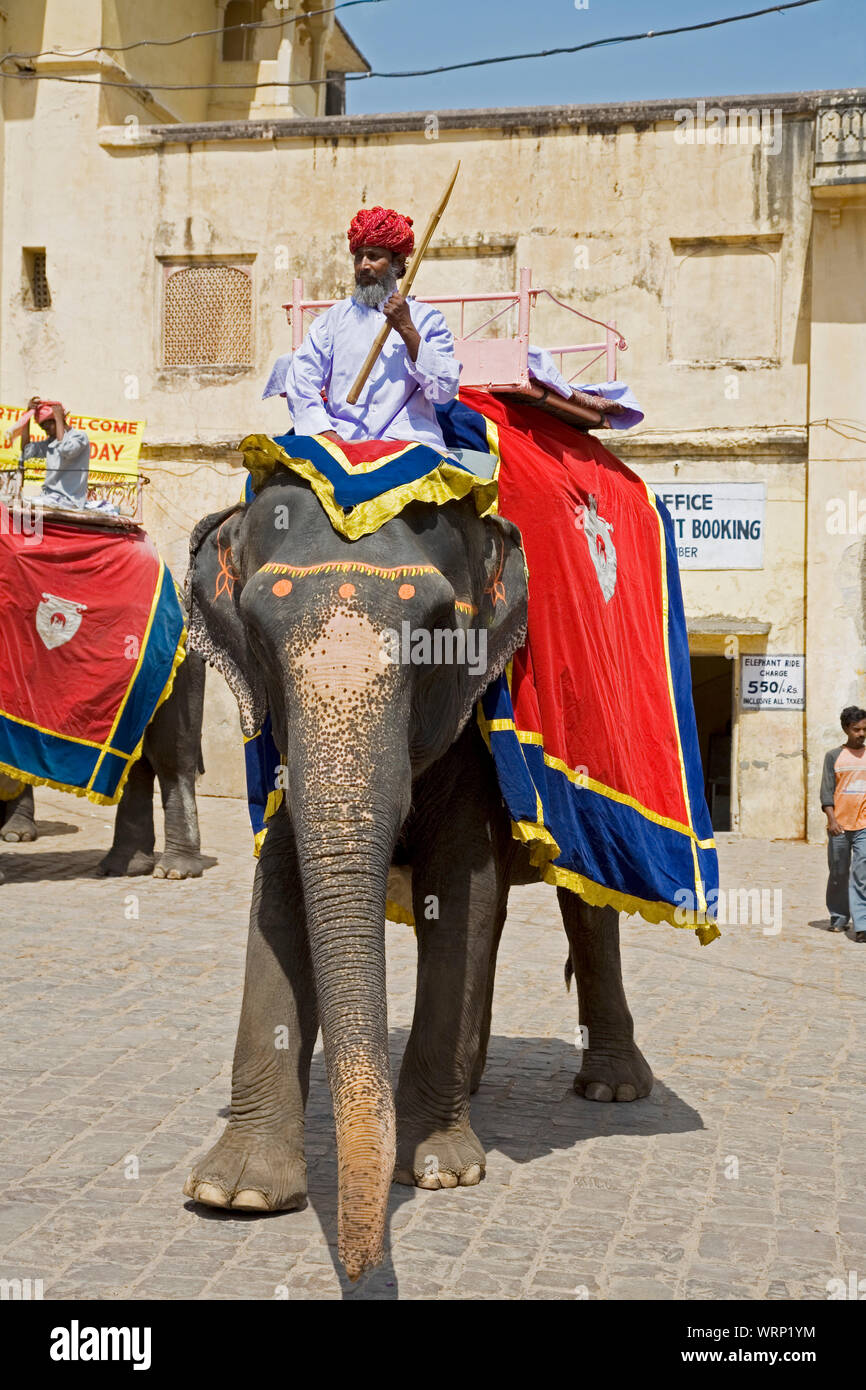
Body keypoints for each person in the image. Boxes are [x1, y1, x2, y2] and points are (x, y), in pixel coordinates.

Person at [283, 206, 459, 450]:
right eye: (359, 257)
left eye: (374, 257)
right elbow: (301, 381)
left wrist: (407, 329)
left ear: (397, 262)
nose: (363, 266)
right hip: (342, 443)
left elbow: (444, 391)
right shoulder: (332, 321)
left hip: (409, 445)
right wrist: (325, 434)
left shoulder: (428, 319)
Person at [821, 705, 866, 941]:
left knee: (862, 873)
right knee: (838, 873)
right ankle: (838, 917)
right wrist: (832, 820)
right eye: (856, 729)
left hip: (863, 827)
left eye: (864, 729)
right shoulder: (833, 756)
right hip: (839, 826)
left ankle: (862, 925)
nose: (861, 734)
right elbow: (827, 793)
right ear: (846, 729)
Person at [15, 397, 90, 509]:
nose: (46, 432)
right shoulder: (51, 442)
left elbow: (66, 450)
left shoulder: (79, 436)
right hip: (49, 497)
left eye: (48, 427)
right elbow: (27, 450)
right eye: (43, 429)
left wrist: (59, 418)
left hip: (69, 500)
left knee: (27, 505)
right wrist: (27, 417)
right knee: (17, 503)